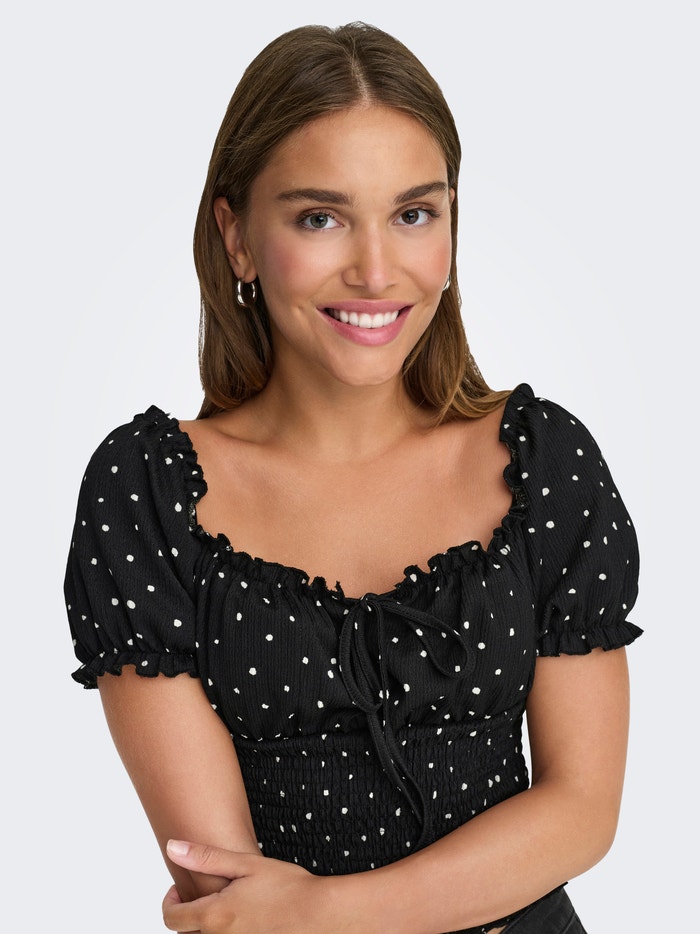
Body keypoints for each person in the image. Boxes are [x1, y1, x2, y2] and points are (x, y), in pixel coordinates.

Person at [64, 21, 642, 934]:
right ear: (237, 237)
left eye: (414, 214)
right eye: (320, 218)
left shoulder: (541, 461)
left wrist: (324, 910)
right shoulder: (149, 493)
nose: (376, 271)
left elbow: (581, 812)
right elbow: (228, 895)